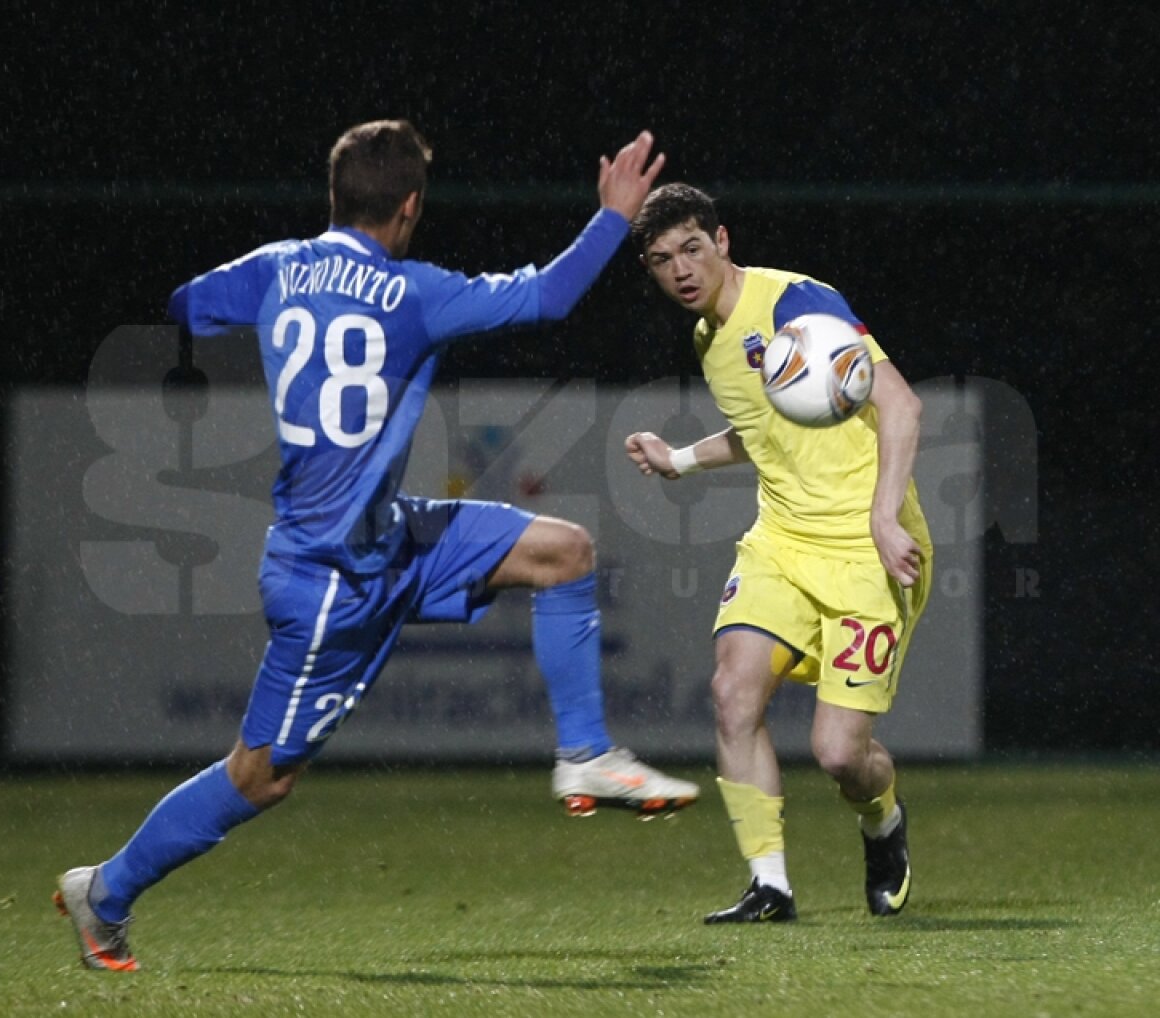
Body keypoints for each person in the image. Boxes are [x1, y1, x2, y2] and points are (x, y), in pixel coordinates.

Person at [54, 121, 699, 971]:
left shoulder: (279, 269)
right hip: (330, 578)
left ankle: (585, 756)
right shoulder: (413, 292)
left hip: (388, 538)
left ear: (333, 197)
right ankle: (102, 892)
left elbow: (187, 304)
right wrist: (614, 217)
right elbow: (545, 297)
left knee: (563, 551)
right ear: (409, 206)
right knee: (261, 776)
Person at [624, 183, 931, 923]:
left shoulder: (797, 303)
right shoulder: (707, 338)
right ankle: (771, 886)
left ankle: (882, 822)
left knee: (839, 754)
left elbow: (901, 403)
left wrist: (886, 517)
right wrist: (681, 461)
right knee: (733, 694)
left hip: (867, 548)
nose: (682, 270)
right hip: (783, 543)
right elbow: (761, 427)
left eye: (693, 248)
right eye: (663, 260)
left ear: (723, 241)